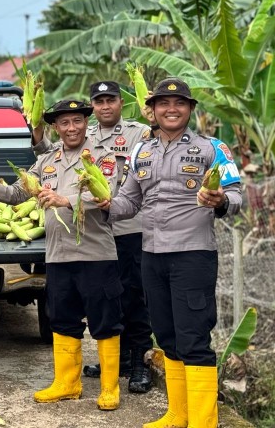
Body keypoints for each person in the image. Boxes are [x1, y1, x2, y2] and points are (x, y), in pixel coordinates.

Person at [100, 78, 243, 428]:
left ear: (190, 109)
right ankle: (178, 414)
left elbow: (238, 196)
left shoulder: (213, 148)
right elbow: (129, 200)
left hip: (192, 255)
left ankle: (203, 422)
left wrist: (221, 200)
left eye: (179, 103)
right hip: (151, 255)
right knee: (165, 334)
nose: (171, 109)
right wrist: (102, 203)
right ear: (154, 110)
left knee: (194, 337)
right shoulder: (141, 152)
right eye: (164, 103)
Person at [0, 99, 123, 411]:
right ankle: (67, 383)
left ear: (86, 122)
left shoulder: (102, 156)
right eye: (64, 123)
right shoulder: (47, 160)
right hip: (58, 255)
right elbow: (19, 192)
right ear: (56, 127)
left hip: (96, 253)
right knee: (62, 318)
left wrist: (64, 199)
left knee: (104, 320)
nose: (70, 128)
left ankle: (109, 388)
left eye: (76, 121)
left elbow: (105, 193)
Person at [80, 81, 154, 393]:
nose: (105, 106)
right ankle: (118, 358)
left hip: (130, 227)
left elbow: (161, 140)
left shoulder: (139, 132)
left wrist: (154, 114)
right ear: (93, 106)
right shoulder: (84, 135)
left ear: (121, 103)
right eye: (99, 101)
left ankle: (140, 361)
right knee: (106, 296)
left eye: (111, 100)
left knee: (134, 295)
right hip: (97, 230)